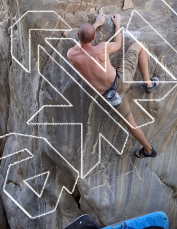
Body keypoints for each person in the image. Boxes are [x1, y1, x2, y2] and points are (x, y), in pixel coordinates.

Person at [66, 10, 160, 159]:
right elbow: (118, 44)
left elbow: (81, 45)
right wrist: (117, 25)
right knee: (139, 45)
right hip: (120, 80)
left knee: (131, 123)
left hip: (110, 96)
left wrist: (95, 24)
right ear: (94, 37)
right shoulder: (102, 48)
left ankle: (148, 150)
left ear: (78, 36)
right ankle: (148, 83)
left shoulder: (71, 55)